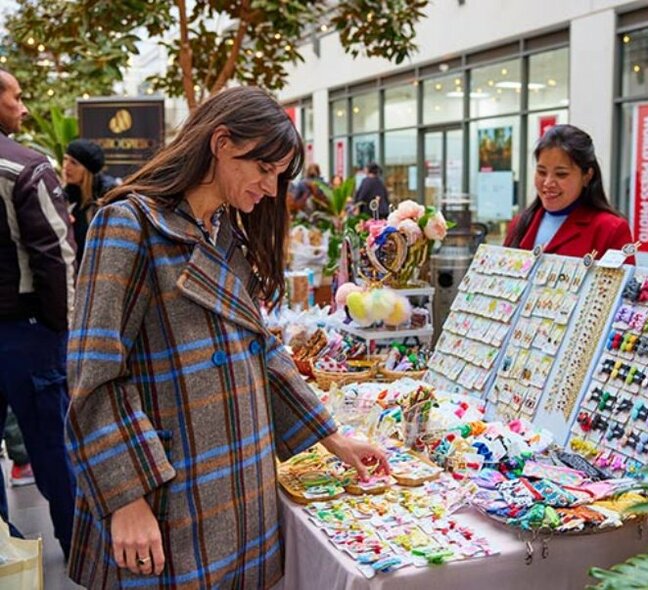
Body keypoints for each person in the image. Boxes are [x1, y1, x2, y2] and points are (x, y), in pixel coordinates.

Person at [65, 86, 389, 588]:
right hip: (169, 489)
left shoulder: (225, 233)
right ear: (220, 143)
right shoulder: (128, 224)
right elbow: (94, 373)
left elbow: (260, 349)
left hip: (239, 484)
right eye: (263, 169)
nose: (270, 186)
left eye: (279, 175)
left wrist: (330, 436)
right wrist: (125, 496)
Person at [0, 67, 77, 558]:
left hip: (24, 327)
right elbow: (57, 254)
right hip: (29, 333)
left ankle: (4, 546)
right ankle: (81, 549)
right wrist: (63, 329)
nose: (23, 108)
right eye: (17, 97)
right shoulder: (24, 166)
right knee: (55, 449)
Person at [504, 124, 634, 261]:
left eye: (561, 174)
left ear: (587, 176)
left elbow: (622, 281)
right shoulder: (520, 223)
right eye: (541, 172)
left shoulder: (611, 230)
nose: (548, 183)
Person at [62, 138, 118, 265]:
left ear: (87, 170)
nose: (66, 166)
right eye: (65, 159)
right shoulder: (67, 193)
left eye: (74, 163)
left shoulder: (108, 195)